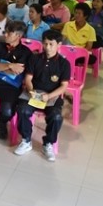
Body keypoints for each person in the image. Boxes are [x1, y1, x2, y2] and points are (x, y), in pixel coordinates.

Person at [14, 30, 71, 162]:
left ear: (59, 45)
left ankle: (48, 143)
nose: (48, 47)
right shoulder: (34, 58)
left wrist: (49, 96)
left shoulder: (64, 64)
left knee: (56, 117)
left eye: (51, 44)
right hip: (33, 92)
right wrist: (31, 91)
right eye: (45, 44)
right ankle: (26, 140)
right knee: (22, 109)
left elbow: (63, 86)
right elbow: (28, 78)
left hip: (52, 95)